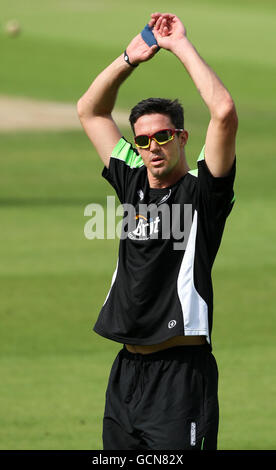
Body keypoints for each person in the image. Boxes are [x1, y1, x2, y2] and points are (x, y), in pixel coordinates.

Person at [77, 12, 238, 450]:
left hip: (181, 377)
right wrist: (130, 56)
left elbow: (222, 112)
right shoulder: (131, 178)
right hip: (126, 374)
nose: (152, 148)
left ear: (182, 138)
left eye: (163, 136)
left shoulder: (203, 193)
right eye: (143, 140)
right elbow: (90, 110)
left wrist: (179, 45)